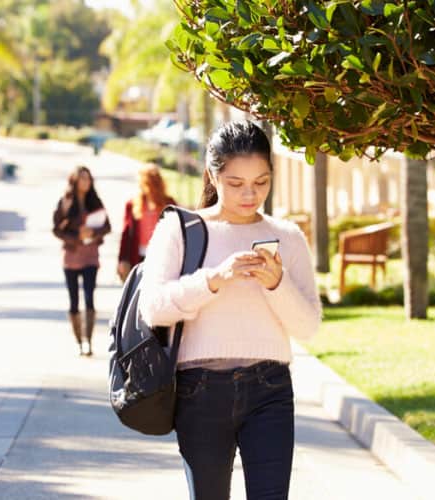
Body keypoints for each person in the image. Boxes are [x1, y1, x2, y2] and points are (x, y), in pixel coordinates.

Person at [138, 121, 321, 500]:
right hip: (199, 389)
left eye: (262, 181)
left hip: (270, 389)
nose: (250, 194)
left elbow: (308, 326)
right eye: (237, 183)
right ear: (212, 176)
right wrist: (214, 280)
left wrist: (276, 284)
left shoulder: (288, 237)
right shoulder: (180, 229)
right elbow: (153, 308)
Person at [52, 166, 111, 356]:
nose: (86, 182)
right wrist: (76, 236)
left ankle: (89, 342)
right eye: (83, 178)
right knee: (74, 301)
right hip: (71, 256)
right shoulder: (66, 202)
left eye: (89, 179)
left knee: (89, 298)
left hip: (91, 256)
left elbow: (107, 226)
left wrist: (93, 233)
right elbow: (56, 229)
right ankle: (78, 340)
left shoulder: (95, 202)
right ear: (75, 181)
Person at [117, 163, 176, 281]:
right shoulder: (133, 204)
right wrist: (122, 259)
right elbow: (126, 233)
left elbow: (177, 231)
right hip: (138, 256)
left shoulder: (169, 203)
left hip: (162, 257)